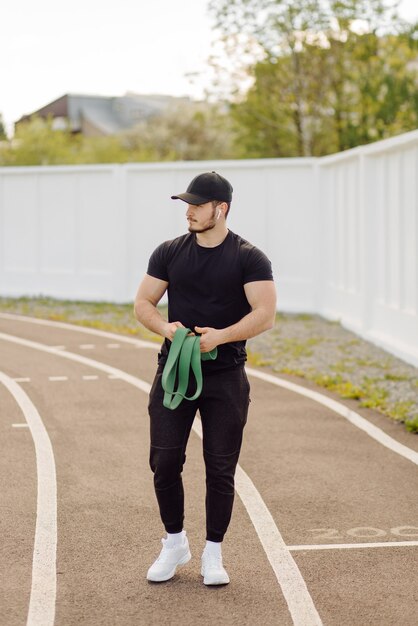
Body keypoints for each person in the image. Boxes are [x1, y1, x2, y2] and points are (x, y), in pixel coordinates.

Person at [134, 171, 276, 586]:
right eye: (187, 205)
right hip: (174, 370)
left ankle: (214, 553)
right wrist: (167, 330)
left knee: (220, 466)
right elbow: (143, 303)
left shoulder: (249, 257)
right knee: (163, 460)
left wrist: (222, 336)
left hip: (226, 374)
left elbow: (264, 314)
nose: (189, 212)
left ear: (221, 208)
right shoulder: (169, 252)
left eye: (197, 205)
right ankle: (175, 543)